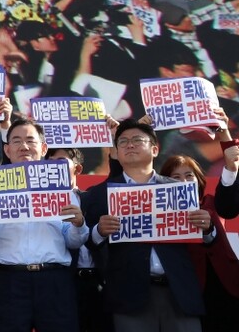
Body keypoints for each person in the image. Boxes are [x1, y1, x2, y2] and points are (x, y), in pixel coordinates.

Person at [83, 119, 213, 332]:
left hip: (178, 293)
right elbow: (87, 240)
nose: (129, 145)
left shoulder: (179, 190)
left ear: (155, 149)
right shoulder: (99, 194)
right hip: (129, 295)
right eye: (122, 142)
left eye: (136, 140)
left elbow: (206, 239)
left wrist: (207, 228)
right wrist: (99, 231)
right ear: (116, 151)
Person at [0, 119, 88, 332]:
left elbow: (74, 240)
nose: (24, 146)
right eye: (17, 141)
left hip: (54, 282)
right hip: (9, 282)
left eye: (30, 140)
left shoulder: (61, 188)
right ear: (7, 149)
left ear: (43, 148)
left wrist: (79, 225)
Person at [159, 150, 239, 332]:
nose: (184, 181)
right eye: (176, 177)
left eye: (189, 175)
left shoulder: (212, 203)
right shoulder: (160, 217)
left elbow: (228, 195)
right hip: (192, 293)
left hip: (228, 285)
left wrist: (230, 163)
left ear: (199, 180)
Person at [46, 147, 110, 332]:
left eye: (60, 162)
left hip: (97, 283)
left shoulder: (94, 198)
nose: (53, 168)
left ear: (78, 169)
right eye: (48, 163)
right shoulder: (38, 204)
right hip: (63, 282)